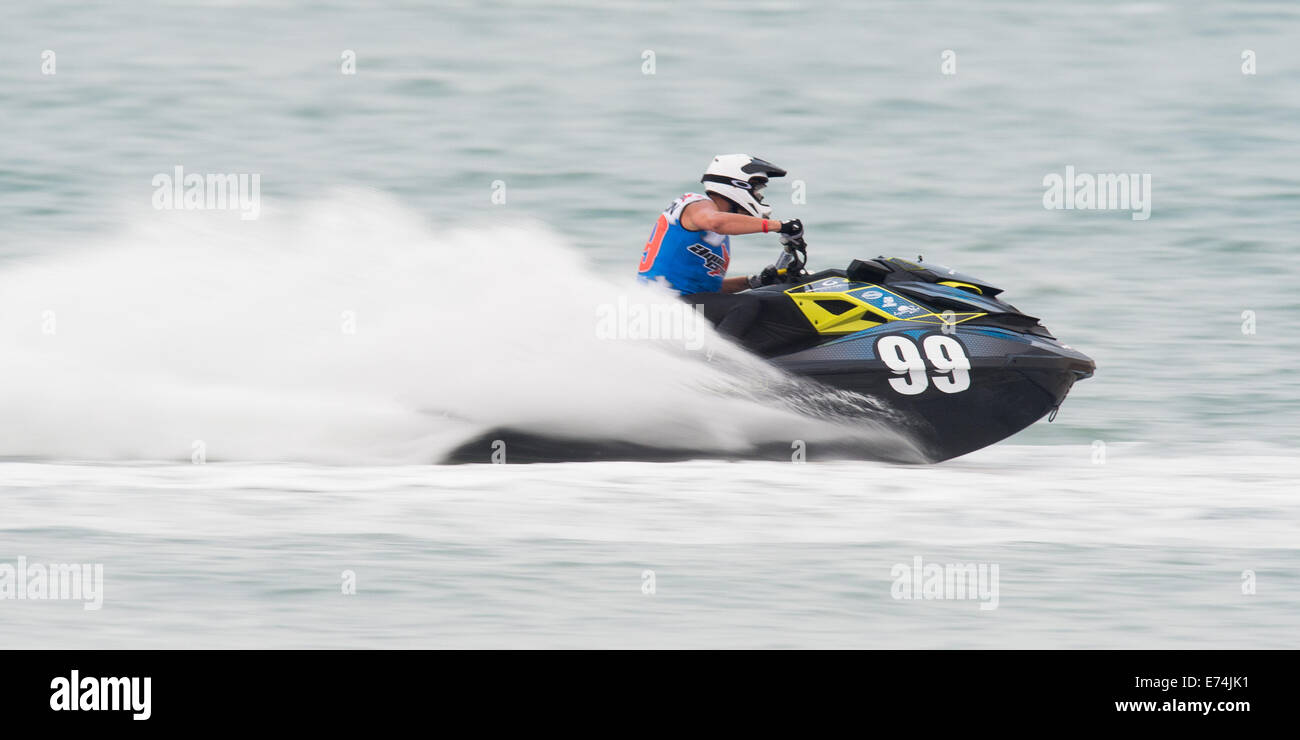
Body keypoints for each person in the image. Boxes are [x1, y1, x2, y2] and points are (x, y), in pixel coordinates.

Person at [636, 155, 811, 353]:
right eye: (756, 189)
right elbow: (716, 221)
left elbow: (705, 294)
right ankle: (719, 363)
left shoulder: (715, 236)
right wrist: (780, 226)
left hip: (678, 306)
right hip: (662, 307)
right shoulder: (695, 204)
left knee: (760, 299)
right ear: (737, 184)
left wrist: (752, 281)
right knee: (745, 305)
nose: (760, 197)